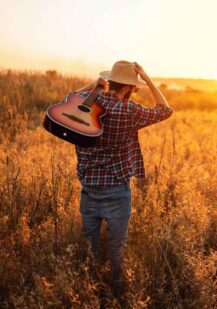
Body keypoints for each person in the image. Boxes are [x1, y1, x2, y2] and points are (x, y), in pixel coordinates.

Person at [71, 60, 173, 298]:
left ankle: (88, 295)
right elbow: (165, 110)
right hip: (117, 192)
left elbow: (64, 102)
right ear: (128, 87)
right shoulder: (128, 110)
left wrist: (92, 86)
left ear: (110, 81)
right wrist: (147, 79)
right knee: (116, 250)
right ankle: (116, 296)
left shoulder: (88, 103)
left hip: (89, 190)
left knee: (90, 249)